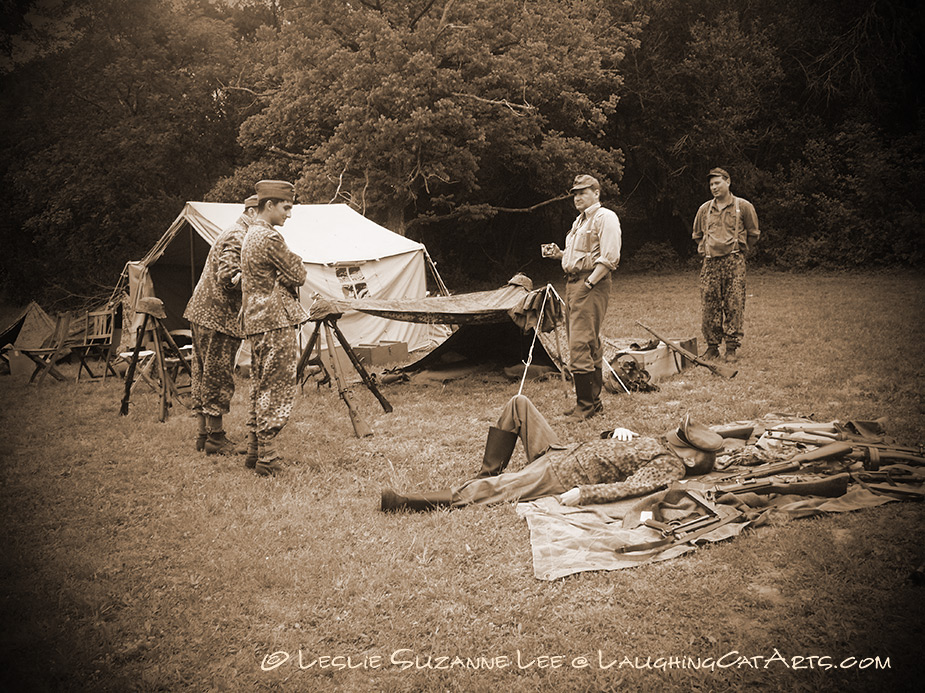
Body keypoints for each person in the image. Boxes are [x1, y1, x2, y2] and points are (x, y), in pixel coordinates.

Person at [379, 394, 723, 512]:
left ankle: (408, 501)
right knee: (519, 404)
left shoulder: (669, 467)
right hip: (561, 451)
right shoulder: (662, 445)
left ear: (690, 459)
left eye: (683, 439)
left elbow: (631, 488)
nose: (675, 435)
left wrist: (583, 493)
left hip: (561, 475)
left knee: (495, 492)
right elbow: (617, 451)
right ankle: (488, 472)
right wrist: (615, 433)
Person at [240, 180, 309, 476]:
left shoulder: (249, 234)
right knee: (276, 387)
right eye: (286, 207)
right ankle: (267, 459)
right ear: (269, 205)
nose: (289, 214)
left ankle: (255, 451)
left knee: (260, 385)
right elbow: (299, 273)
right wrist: (290, 271)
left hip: (257, 320)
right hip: (275, 320)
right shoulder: (268, 239)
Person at [183, 193, 259, 455]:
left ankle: (203, 435)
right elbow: (228, 275)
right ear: (251, 212)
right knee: (217, 376)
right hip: (219, 317)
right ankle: (216, 438)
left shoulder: (233, 232)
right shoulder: (239, 234)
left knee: (203, 374)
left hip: (204, 313)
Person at [542, 174, 621, 419]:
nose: (577, 197)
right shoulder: (579, 221)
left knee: (578, 343)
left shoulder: (605, 217)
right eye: (575, 193)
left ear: (596, 193)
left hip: (590, 284)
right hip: (575, 282)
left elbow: (610, 257)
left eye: (583, 192)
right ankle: (593, 403)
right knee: (589, 341)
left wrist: (589, 283)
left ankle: (584, 406)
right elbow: (583, 254)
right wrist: (561, 255)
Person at [691, 168, 760, 364]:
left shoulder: (743, 207)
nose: (714, 187)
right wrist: (706, 248)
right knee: (709, 306)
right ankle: (712, 348)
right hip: (710, 263)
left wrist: (740, 249)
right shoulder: (704, 209)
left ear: (728, 182)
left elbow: (754, 234)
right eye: (711, 184)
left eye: (717, 183)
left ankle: (731, 348)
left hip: (734, 262)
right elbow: (697, 235)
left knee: (735, 305)